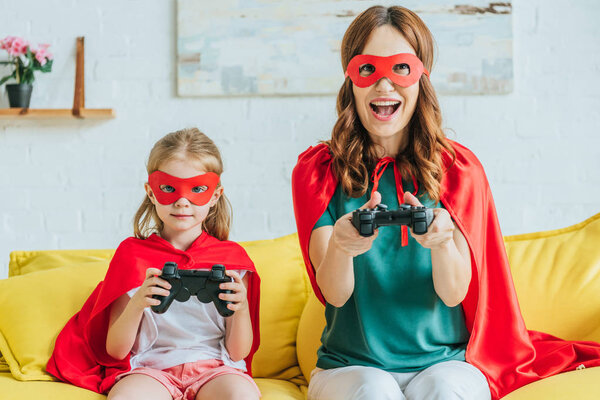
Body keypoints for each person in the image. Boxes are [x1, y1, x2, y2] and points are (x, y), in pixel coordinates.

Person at [291, 5, 600, 400]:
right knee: (373, 391)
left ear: (422, 78)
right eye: (368, 69)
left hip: (445, 361)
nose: (384, 86)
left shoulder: (458, 169)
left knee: (445, 389)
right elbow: (333, 294)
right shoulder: (318, 171)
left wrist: (441, 244)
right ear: (350, 80)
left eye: (400, 69)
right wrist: (342, 246)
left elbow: (455, 294)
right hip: (349, 366)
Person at [47, 128, 261, 400]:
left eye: (197, 189)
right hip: (150, 370)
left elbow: (238, 352)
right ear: (151, 191)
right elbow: (116, 350)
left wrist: (240, 309)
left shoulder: (233, 261)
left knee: (241, 397)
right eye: (169, 188)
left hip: (217, 369)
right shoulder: (132, 255)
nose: (182, 201)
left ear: (215, 195)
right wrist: (138, 302)